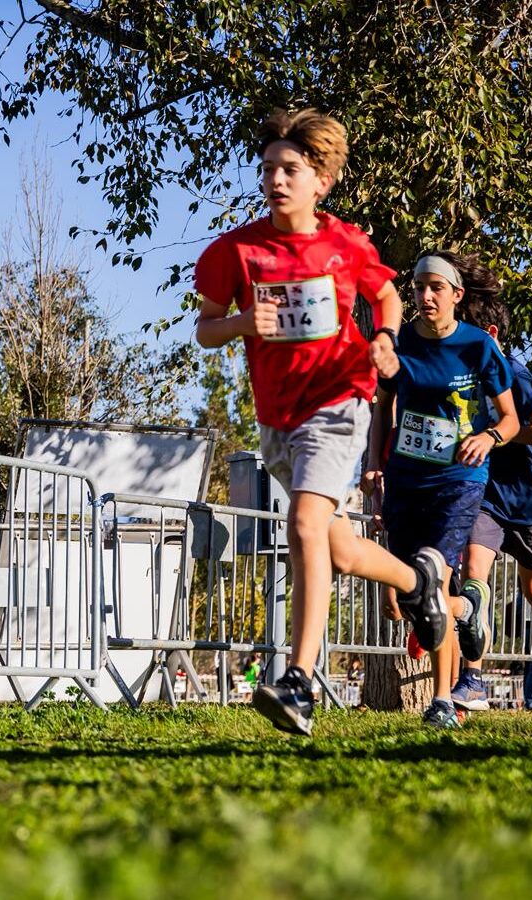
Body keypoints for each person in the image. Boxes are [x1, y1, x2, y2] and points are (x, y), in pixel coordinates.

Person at [194, 108, 446, 736]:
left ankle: (300, 681)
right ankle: (418, 580)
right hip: (278, 416)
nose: (276, 180)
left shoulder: (345, 244)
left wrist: (385, 338)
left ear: (320, 180)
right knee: (329, 543)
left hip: (340, 398)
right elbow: (205, 329)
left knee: (302, 521)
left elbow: (385, 294)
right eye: (269, 169)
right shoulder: (237, 250)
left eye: (291, 170)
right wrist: (243, 324)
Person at [366, 251, 518, 728]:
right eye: (417, 288)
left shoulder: (479, 347)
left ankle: (442, 700)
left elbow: (511, 419)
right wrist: (373, 466)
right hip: (407, 478)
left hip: (459, 481)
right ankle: (469, 608)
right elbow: (383, 409)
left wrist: (488, 436)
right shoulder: (402, 341)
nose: (425, 296)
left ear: (457, 295)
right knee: (406, 603)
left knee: (434, 575)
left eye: (435, 288)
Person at [444, 290, 532, 719]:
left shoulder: (515, 375)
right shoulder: (461, 381)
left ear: (490, 334)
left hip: (531, 503)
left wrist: (495, 433)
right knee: (474, 580)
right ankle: (472, 679)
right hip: (486, 499)